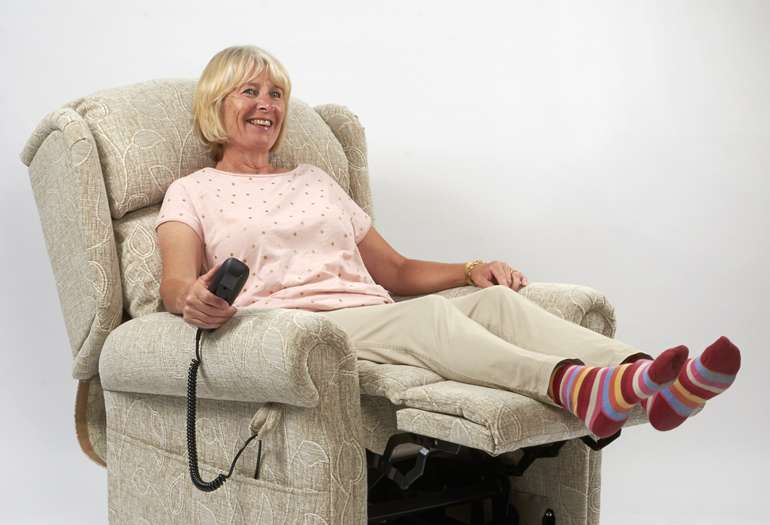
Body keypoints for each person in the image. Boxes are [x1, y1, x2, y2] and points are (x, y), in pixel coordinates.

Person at [155, 45, 740, 439]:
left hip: (366, 315)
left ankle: (646, 376)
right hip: (292, 329)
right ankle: (575, 386)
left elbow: (397, 270)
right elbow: (176, 283)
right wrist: (196, 298)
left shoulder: (316, 179)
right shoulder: (193, 190)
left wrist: (472, 268)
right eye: (249, 92)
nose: (267, 105)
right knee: (429, 320)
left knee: (495, 302)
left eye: (276, 94)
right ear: (216, 105)